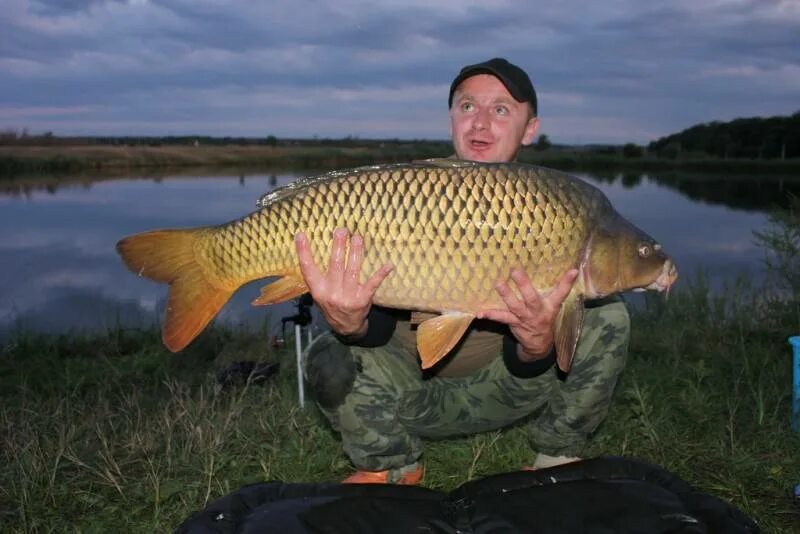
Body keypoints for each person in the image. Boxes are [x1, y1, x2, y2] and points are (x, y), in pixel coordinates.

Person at [294, 58, 630, 484]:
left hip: (504, 391)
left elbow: (530, 361)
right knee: (328, 353)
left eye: (501, 110)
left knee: (608, 315)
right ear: (451, 118)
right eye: (467, 107)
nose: (480, 124)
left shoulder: (557, 210)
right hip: (407, 392)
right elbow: (374, 334)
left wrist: (536, 345)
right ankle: (391, 463)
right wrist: (352, 324)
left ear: (530, 128)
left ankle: (556, 456)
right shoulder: (404, 195)